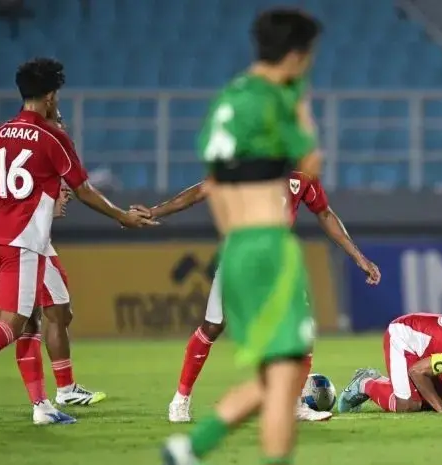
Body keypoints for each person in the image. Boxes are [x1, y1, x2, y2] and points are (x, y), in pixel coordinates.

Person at [0, 57, 156, 425]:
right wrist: (122, 216)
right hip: (24, 243)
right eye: (57, 96)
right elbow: (84, 190)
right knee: (11, 324)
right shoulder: (52, 137)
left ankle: (43, 406)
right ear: (50, 96)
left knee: (27, 321)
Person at [158, 9, 323, 465]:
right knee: (286, 375)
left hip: (235, 248)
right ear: (294, 55)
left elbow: (211, 183)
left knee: (277, 373)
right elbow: (310, 166)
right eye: (308, 57)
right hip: (270, 246)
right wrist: (302, 106)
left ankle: (190, 448)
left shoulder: (226, 101)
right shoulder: (276, 101)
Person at [150, 178, 380, 424]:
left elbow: (324, 213)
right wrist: (156, 211)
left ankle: (294, 404)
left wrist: (359, 258)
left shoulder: (302, 174)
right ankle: (180, 399)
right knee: (213, 326)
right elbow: (200, 191)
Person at [0, 110, 106, 410]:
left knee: (56, 312)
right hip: (26, 241)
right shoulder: (46, 143)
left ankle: (58, 393)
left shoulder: (12, 139)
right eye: (58, 117)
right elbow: (58, 189)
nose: (62, 123)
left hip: (29, 239)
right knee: (11, 320)